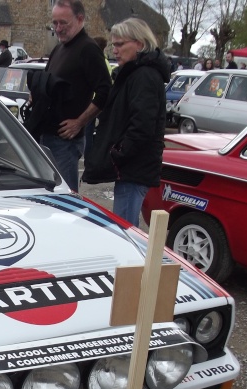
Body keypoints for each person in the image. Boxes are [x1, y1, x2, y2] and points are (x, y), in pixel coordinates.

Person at [82, 17, 169, 226]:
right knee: (124, 224)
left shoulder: (144, 76)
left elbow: (143, 124)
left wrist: (118, 152)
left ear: (139, 44)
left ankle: (130, 260)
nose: (115, 50)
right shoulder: (135, 74)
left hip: (134, 167)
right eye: (113, 45)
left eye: (120, 44)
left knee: (125, 228)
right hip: (131, 167)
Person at [35, 0, 110, 192]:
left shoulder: (88, 49)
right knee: (48, 196)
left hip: (65, 142)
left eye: (63, 23)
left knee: (65, 198)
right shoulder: (59, 48)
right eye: (55, 23)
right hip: (47, 135)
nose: (58, 29)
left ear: (80, 19)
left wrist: (79, 122)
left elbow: (105, 91)